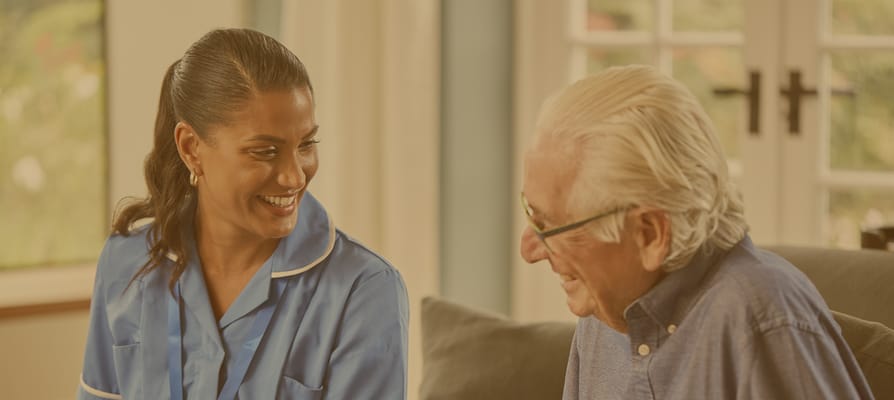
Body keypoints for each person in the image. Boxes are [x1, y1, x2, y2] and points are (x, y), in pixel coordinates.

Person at [77, 28, 409, 400]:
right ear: (191, 148)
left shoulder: (364, 291)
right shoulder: (126, 261)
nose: (295, 176)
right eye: (266, 151)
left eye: (307, 144)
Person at [519, 65, 873, 399]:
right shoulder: (604, 313)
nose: (529, 249)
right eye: (532, 214)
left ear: (650, 234)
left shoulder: (760, 321)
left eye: (552, 226)